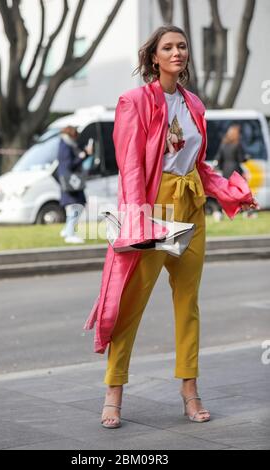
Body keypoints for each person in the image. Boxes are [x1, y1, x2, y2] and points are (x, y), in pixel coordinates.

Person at [83, 25, 260, 429]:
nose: (177, 52)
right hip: (152, 205)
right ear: (154, 58)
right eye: (168, 47)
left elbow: (198, 165)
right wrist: (135, 219)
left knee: (188, 306)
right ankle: (113, 393)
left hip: (191, 206)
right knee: (131, 304)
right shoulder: (134, 102)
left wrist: (231, 193)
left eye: (181, 46)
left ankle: (190, 392)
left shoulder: (194, 104)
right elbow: (130, 166)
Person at [57, 126, 93, 244]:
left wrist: (84, 155)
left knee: (75, 206)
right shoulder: (66, 146)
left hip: (70, 181)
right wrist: (83, 155)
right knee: (77, 206)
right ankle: (70, 233)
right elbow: (70, 165)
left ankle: (67, 230)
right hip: (71, 181)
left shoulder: (64, 144)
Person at [213, 125, 257, 219]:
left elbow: (218, 159)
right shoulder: (237, 145)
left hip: (225, 172)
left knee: (226, 194)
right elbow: (241, 159)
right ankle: (248, 213)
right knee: (242, 193)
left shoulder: (223, 144)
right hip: (236, 172)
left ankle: (219, 212)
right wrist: (247, 158)